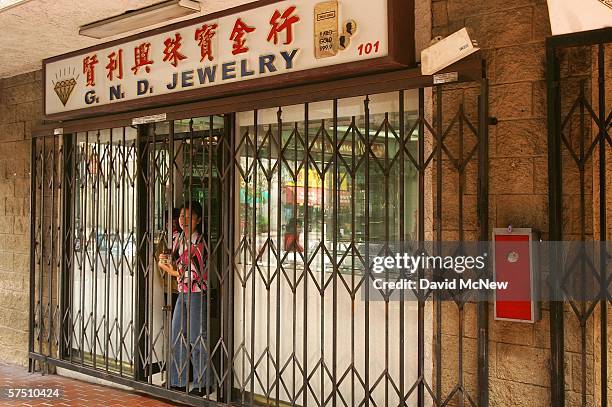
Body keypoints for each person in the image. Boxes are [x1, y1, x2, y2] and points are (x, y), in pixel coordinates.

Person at [158, 201, 209, 395]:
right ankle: (177, 380)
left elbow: (189, 272)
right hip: (182, 292)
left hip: (196, 293)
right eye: (181, 216)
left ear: (198, 220)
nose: (184, 220)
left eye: (189, 217)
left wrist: (168, 269)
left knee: (197, 337)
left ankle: (202, 383)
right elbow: (168, 253)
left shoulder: (199, 242)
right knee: (178, 334)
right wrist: (165, 258)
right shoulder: (178, 238)